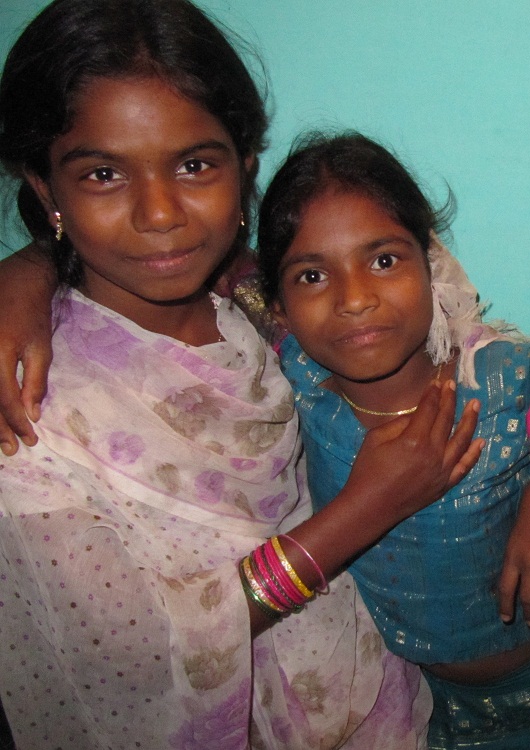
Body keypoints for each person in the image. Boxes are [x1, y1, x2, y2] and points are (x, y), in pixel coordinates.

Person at [0, 2, 484, 748]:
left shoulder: (266, 301)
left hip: (384, 693)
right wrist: (368, 507)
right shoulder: (29, 411)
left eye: (194, 165)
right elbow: (129, 657)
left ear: (244, 168)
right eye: (104, 174)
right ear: (45, 190)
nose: (160, 214)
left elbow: (456, 326)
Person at [249, 132, 530, 750]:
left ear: (430, 268)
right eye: (313, 275)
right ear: (279, 306)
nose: (355, 299)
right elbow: (204, 268)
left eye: (383, 261)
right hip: (413, 701)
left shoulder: (505, 387)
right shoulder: (300, 375)